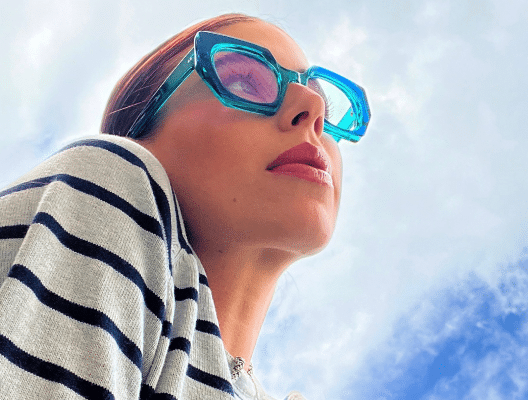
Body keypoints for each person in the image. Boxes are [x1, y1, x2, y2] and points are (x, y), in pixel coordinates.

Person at [0, 12, 370, 400]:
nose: (312, 109)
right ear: (140, 134)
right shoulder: (113, 176)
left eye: (325, 109)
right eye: (244, 79)